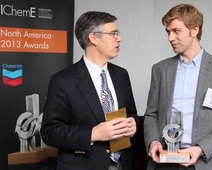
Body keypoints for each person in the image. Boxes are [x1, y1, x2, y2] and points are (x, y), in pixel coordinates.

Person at [144, 3, 212, 170]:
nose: (170, 38)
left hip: (207, 162)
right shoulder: (160, 70)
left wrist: (201, 149)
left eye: (176, 31)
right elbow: (151, 114)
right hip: (165, 162)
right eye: (168, 32)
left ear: (194, 30)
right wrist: (153, 141)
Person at [41, 11, 139, 170]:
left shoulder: (121, 75)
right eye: (113, 33)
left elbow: (132, 113)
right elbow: (50, 132)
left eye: (118, 33)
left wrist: (133, 125)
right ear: (93, 38)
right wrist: (93, 134)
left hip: (123, 164)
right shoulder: (62, 81)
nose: (119, 38)